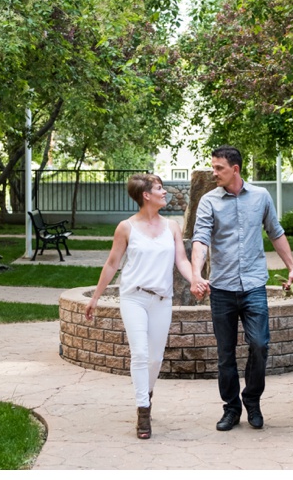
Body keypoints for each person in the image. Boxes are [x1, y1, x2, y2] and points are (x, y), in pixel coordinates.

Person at [191, 145, 293, 431]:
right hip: (222, 289)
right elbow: (200, 239)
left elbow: (275, 231)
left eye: (219, 168)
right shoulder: (209, 201)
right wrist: (196, 274)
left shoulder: (261, 196)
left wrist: (292, 266)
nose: (214, 173)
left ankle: (252, 400)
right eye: (213, 167)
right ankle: (231, 408)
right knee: (225, 354)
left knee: (260, 345)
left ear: (235, 169)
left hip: (253, 286)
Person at [85, 173, 194, 440]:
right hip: (133, 297)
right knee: (141, 354)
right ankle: (143, 410)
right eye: (159, 188)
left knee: (156, 358)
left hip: (161, 299)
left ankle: (146, 391)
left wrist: (196, 280)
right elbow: (112, 264)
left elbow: (181, 260)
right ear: (146, 195)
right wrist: (95, 297)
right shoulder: (126, 227)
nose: (165, 191)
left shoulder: (172, 227)